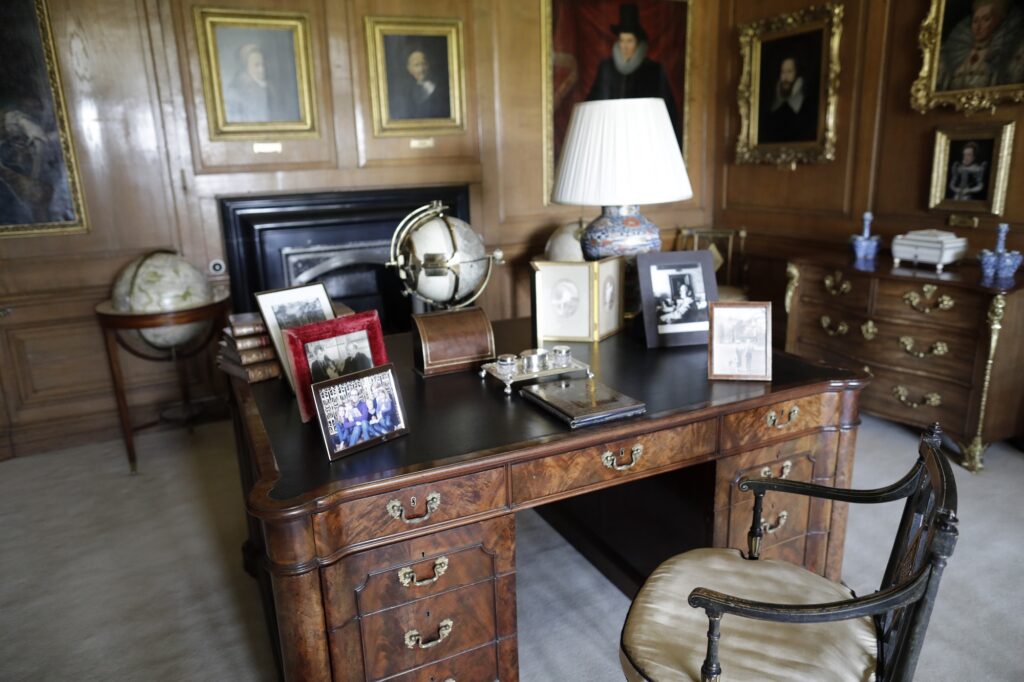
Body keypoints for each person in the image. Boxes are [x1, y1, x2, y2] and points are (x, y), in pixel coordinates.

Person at [585, 3, 680, 141]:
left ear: (638, 43)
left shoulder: (653, 70)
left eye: (629, 41)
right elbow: (593, 104)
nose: (624, 46)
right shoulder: (606, 68)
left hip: (643, 138)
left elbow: (667, 111)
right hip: (611, 137)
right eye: (622, 40)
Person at [937, 0, 1024, 91]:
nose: (978, 27)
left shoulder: (1009, 53)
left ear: (997, 22)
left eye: (986, 19)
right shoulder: (955, 53)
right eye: (975, 21)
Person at [759, 56, 817, 144]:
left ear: (797, 74)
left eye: (789, 72)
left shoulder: (808, 107)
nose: (785, 77)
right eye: (783, 72)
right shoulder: (771, 108)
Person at [391, 47, 450, 119]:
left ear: (429, 65)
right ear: (409, 69)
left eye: (424, 64)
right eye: (416, 65)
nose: (421, 69)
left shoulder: (442, 89)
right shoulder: (404, 92)